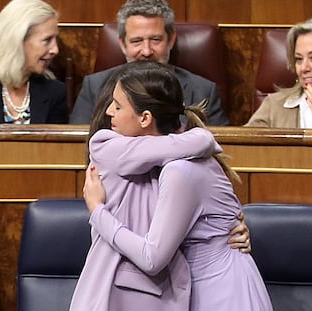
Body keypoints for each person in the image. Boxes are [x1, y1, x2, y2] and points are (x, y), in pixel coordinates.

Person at [71, 61, 271, 310]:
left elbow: (154, 255)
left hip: (217, 291)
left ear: (145, 117)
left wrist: (97, 211)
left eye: (119, 106)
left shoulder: (179, 168)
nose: (111, 112)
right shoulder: (117, 150)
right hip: (164, 288)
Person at [69, 0, 229, 126]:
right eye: (137, 41)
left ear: (171, 40)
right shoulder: (94, 86)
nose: (146, 51)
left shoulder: (203, 91)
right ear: (122, 44)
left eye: (155, 39)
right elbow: (78, 145)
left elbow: (219, 147)